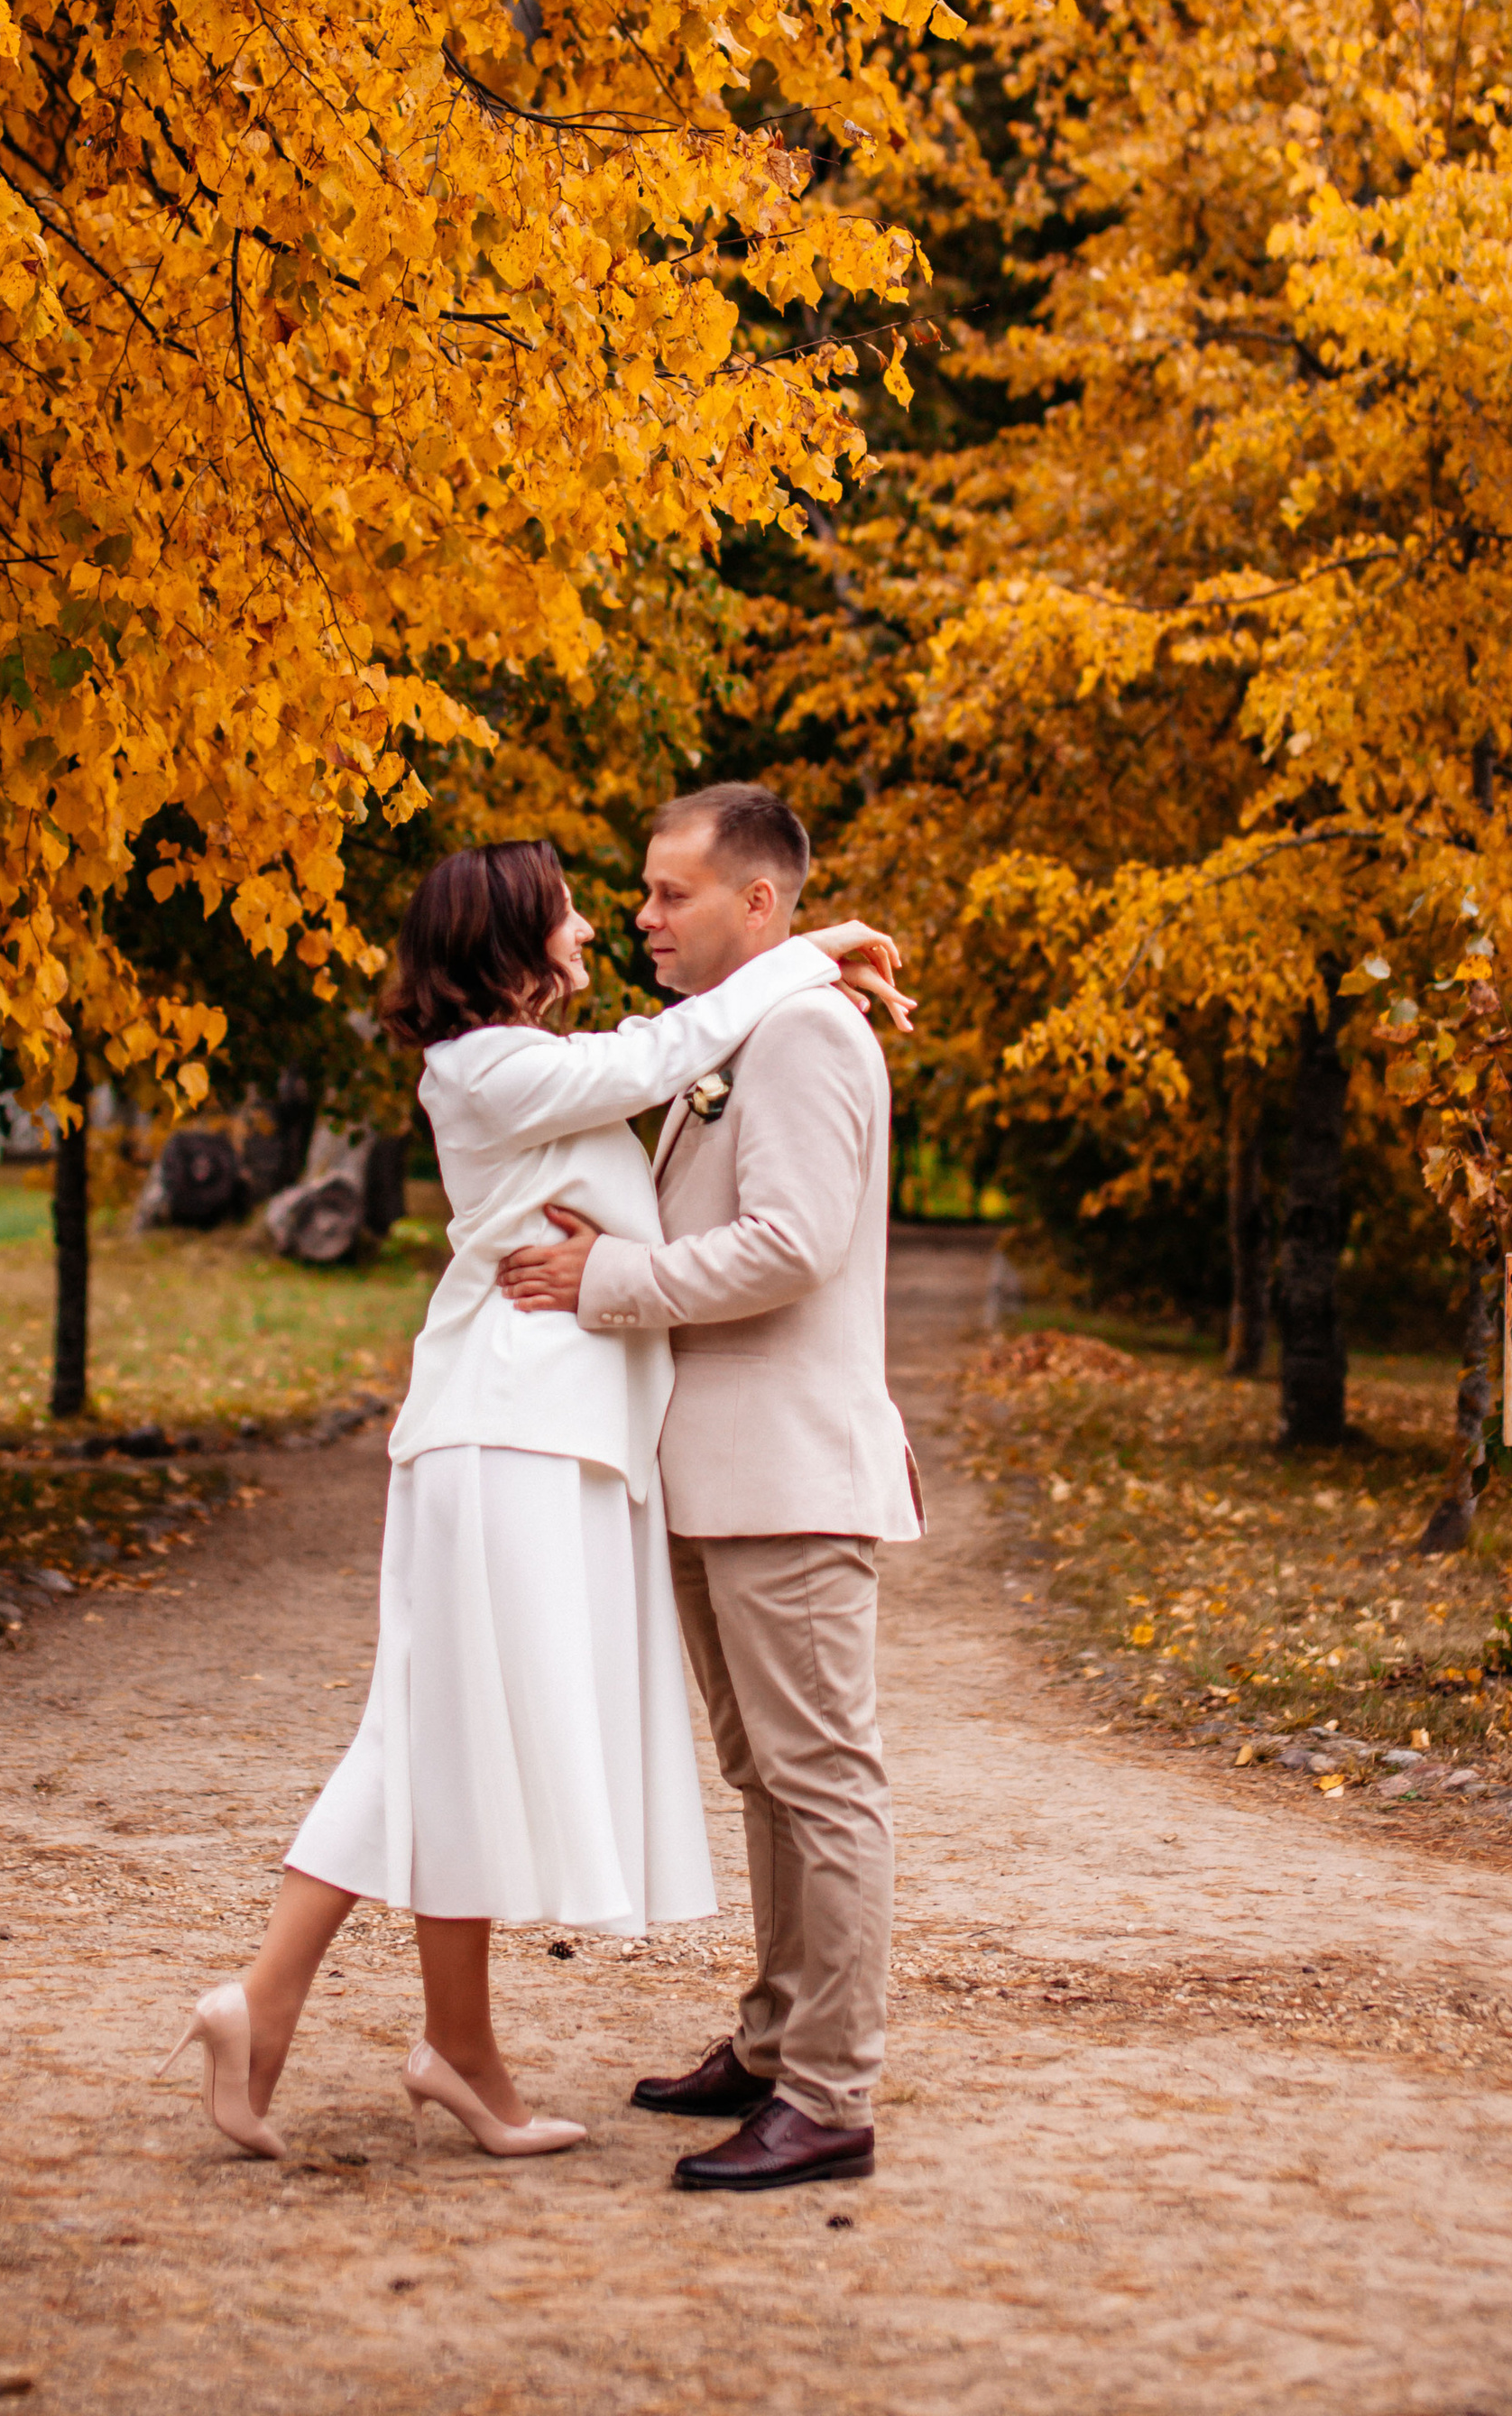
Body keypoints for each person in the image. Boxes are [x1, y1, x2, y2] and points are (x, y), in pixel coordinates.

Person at [160, 835, 910, 2163]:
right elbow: (654, 1060)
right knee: (429, 1734)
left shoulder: (545, 1066)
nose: (606, 926)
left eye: (651, 896)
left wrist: (801, 961)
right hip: (510, 1436)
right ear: (509, 942)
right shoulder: (499, 1066)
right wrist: (812, 948)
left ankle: (420, 2040)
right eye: (575, 912)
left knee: (436, 1736)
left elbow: (689, 1119)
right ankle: (303, 2009)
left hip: (538, 1435)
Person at [499, 782, 922, 2195]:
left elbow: (791, 1244)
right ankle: (774, 2039)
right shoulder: (744, 1026)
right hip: (722, 1479)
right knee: (768, 1775)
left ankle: (831, 2094)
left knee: (823, 1785)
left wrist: (603, 1283)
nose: (643, 915)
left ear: (757, 903)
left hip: (789, 1477)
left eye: (671, 893)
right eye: (641, 891)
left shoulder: (803, 1034)